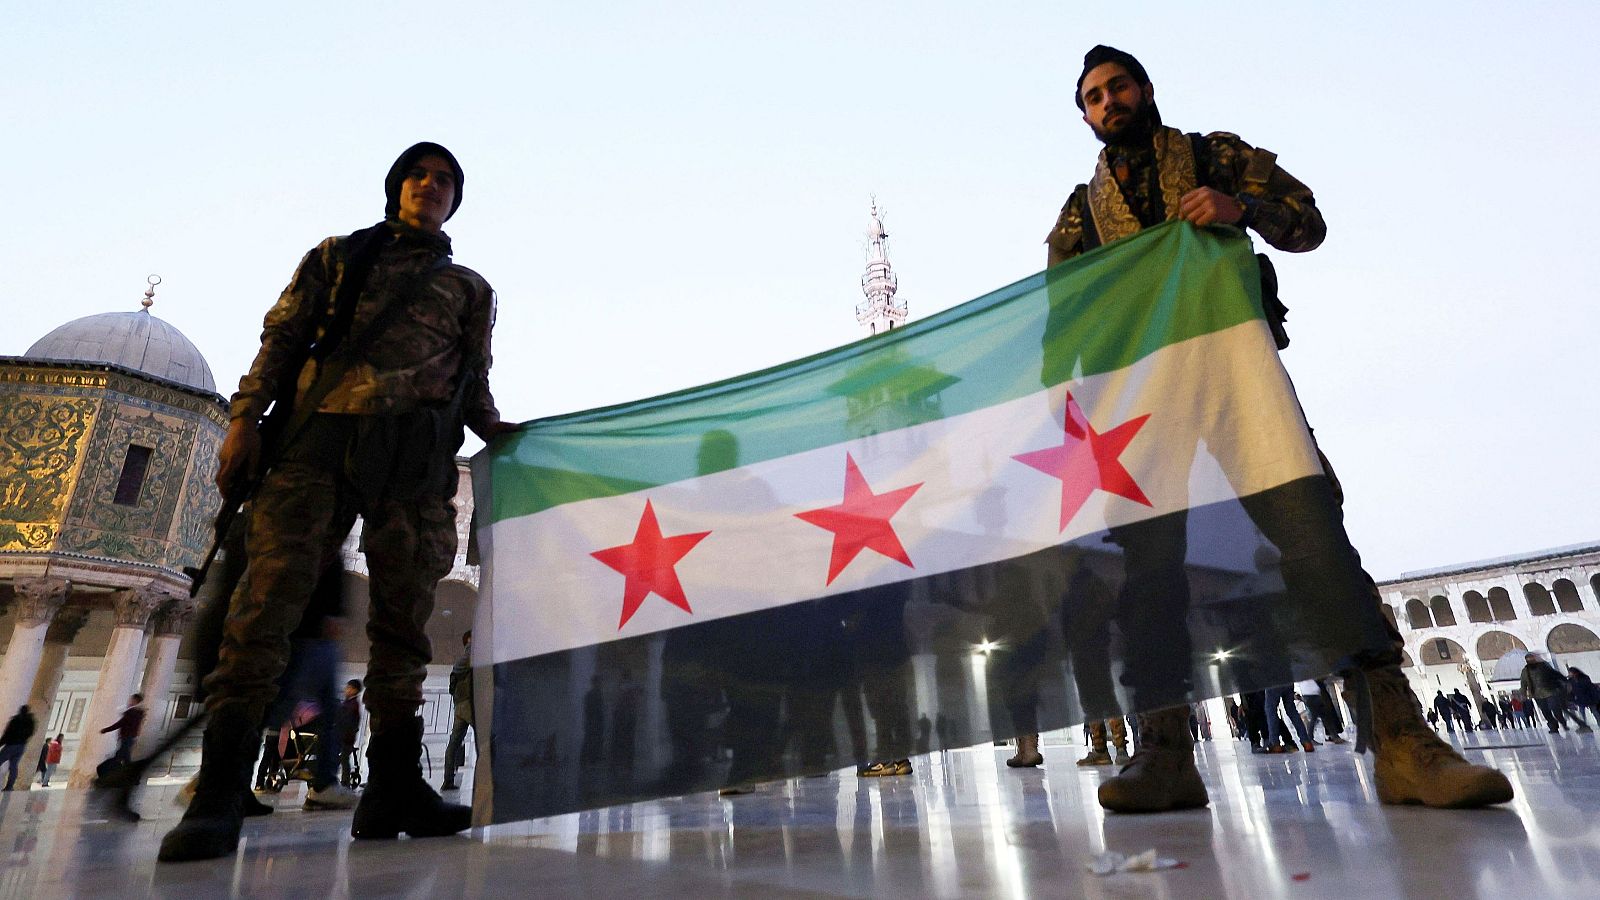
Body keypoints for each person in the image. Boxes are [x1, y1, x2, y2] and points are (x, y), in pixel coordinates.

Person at [1040, 45, 1511, 813]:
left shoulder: (1212, 157)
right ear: (1086, 115)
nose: (1108, 103)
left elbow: (1307, 224)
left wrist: (1239, 210)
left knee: (1313, 537)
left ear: (1145, 87)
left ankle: (1400, 740)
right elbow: (1064, 315)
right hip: (1143, 397)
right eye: (1092, 97)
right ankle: (1164, 752)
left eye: (1117, 86)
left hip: (1237, 375)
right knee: (1147, 570)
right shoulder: (1080, 212)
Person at [159, 142, 514, 863]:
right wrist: (243, 419)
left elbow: (470, 381)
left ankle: (391, 789)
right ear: (396, 188)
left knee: (402, 627)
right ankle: (220, 791)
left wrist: (504, 433)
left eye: (445, 180)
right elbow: (283, 340)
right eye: (419, 174)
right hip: (318, 445)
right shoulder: (338, 256)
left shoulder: (471, 290)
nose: (431, 186)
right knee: (264, 611)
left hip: (414, 459)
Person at [442, 632, 473, 791]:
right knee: (486, 740)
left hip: (459, 705)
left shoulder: (461, 661)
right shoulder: (471, 653)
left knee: (454, 743)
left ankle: (448, 780)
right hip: (469, 703)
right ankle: (488, 780)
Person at [1520, 653, 1571, 734]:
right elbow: (1523, 683)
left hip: (1550, 691)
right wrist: (1523, 694)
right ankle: (1553, 726)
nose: (1530, 661)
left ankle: (1562, 722)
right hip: (1537, 695)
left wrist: (1563, 680)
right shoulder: (1525, 671)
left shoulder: (1543, 666)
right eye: (1528, 660)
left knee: (1555, 709)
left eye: (1531, 659)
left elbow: (1553, 673)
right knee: (1545, 712)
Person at [100, 694, 146, 767]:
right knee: (124, 756)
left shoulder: (131, 712)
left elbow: (120, 724)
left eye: (131, 700)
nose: (129, 701)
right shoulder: (138, 713)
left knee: (121, 757)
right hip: (131, 737)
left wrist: (105, 730)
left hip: (126, 737)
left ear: (135, 701)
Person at [0, 706, 36, 791]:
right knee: (13, 766)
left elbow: (8, 733)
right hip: (21, 746)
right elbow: (30, 733)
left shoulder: (16, 720)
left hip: (11, 744)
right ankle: (9, 786)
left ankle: (9, 786)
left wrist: (1, 743)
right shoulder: (31, 721)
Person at [338, 679, 363, 787]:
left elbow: (348, 720)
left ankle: (345, 782)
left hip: (347, 737)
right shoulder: (349, 703)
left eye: (348, 688)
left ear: (355, 690)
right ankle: (344, 780)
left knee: (344, 759)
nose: (346, 690)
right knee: (343, 758)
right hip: (345, 736)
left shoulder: (352, 705)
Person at [1567, 667, 1600, 732]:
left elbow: (1590, 687)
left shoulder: (1584, 678)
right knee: (1582, 713)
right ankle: (1584, 726)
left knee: (1594, 712)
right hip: (1580, 699)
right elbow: (1570, 691)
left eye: (1570, 672)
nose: (1569, 674)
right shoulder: (1571, 681)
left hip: (1588, 698)